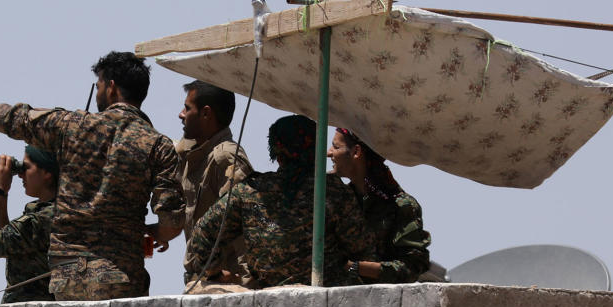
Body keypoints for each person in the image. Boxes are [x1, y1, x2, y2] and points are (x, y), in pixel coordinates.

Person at [0, 51, 185, 301]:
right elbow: (172, 224)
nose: (98, 92)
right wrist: (144, 232)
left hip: (69, 280)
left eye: (99, 86)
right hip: (124, 280)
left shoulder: (71, 126)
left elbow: (8, 117)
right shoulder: (158, 145)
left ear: (111, 87)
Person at [184, 115, 373, 288]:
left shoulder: (250, 190)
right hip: (326, 298)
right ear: (316, 148)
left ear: (276, 152)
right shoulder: (332, 191)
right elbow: (363, 250)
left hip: (268, 299)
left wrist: (215, 273)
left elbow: (202, 233)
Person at [327, 127, 431, 283]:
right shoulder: (340, 200)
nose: (329, 153)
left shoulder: (400, 205)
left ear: (356, 152)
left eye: (336, 147)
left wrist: (354, 267)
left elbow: (411, 267)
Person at [176, 81, 254, 288]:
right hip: (201, 282)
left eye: (187, 108)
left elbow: (245, 222)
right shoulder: (195, 154)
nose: (181, 114)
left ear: (206, 113)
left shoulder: (225, 157)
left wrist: (243, 280)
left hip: (225, 287)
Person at [0, 146, 58, 303]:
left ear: (47, 174)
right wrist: (3, 193)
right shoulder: (52, 210)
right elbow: (10, 244)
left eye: (26, 167)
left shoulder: (46, 217)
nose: (20, 174)